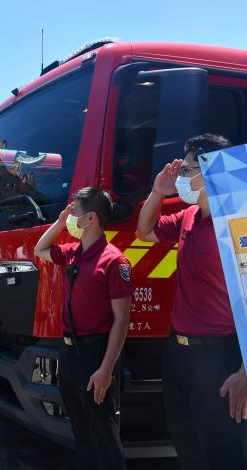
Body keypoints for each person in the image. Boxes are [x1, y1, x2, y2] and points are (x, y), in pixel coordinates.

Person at [136, 133, 247, 469]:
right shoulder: (187, 217)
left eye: (187, 170)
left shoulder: (238, 221)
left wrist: (244, 371)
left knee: (222, 451)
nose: (181, 177)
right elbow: (144, 231)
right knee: (187, 444)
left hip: (220, 355)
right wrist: (158, 192)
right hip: (179, 353)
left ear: (210, 170)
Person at [34, 187, 132, 469]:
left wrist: (106, 369)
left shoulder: (114, 260)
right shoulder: (73, 252)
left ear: (91, 219)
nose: (70, 218)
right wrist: (60, 219)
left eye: (74, 212)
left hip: (95, 354)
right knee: (80, 428)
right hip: (69, 354)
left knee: (103, 430)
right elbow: (40, 249)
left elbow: (121, 320)